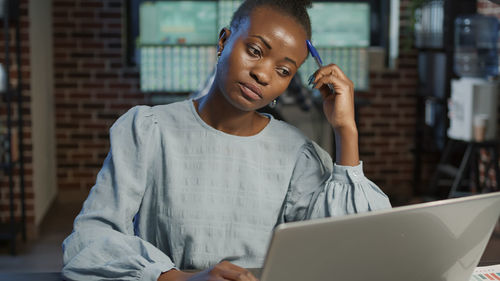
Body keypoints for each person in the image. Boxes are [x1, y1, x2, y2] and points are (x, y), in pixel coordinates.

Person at [61, 0, 391, 280]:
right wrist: (180, 278)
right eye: (255, 50)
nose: (262, 74)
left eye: (283, 71)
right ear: (223, 41)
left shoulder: (297, 155)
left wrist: (346, 130)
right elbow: (91, 239)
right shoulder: (148, 130)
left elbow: (349, 246)